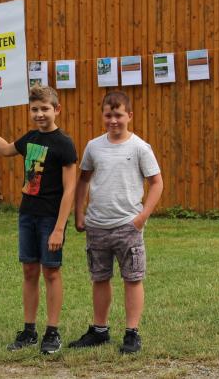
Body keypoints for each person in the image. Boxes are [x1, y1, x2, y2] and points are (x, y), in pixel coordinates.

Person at [0, 85, 77, 354]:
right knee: (29, 271)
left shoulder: (64, 144)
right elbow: (6, 149)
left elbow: (70, 189)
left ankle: (52, 332)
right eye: (34, 109)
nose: (40, 114)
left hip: (50, 218)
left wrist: (59, 228)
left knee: (51, 272)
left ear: (57, 110)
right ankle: (29, 330)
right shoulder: (30, 139)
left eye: (45, 109)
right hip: (27, 214)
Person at [69, 91, 163, 354]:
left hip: (127, 226)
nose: (113, 120)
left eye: (118, 115)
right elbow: (84, 180)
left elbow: (156, 182)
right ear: (102, 116)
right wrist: (79, 213)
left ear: (129, 116)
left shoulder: (140, 148)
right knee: (100, 277)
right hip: (97, 224)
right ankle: (99, 330)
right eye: (108, 115)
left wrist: (142, 217)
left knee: (132, 278)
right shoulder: (93, 146)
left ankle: (132, 333)